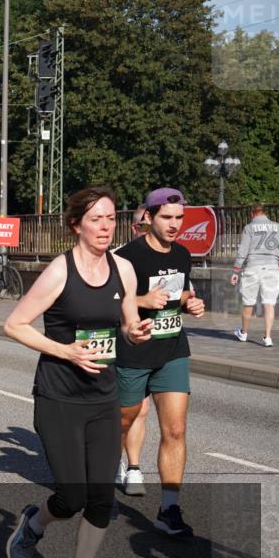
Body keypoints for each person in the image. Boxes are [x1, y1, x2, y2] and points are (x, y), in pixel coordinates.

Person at [4, 186, 150, 558]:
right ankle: (32, 526)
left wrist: (134, 332)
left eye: (110, 218)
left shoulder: (123, 269)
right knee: (70, 497)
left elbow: (126, 323)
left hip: (103, 395)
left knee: (102, 498)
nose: (105, 227)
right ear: (76, 225)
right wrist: (66, 351)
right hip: (59, 396)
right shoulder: (58, 271)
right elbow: (14, 325)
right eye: (96, 220)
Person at [115, 187, 205, 537]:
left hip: (172, 351)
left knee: (176, 430)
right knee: (122, 422)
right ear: (149, 218)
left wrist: (189, 304)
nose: (174, 225)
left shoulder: (183, 254)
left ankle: (168, 509)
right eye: (166, 218)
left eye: (179, 218)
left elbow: (178, 294)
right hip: (133, 353)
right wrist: (141, 299)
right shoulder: (126, 257)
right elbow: (107, 300)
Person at [115, 204, 151, 495]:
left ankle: (135, 468)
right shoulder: (118, 258)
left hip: (153, 343)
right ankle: (112, 461)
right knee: (124, 411)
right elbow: (110, 299)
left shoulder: (167, 255)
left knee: (141, 410)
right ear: (134, 227)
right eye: (142, 226)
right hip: (121, 340)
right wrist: (144, 301)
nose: (146, 233)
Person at [232, 204, 279, 347]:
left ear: (253, 214)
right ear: (264, 213)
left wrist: (236, 270)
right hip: (272, 267)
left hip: (252, 267)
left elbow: (243, 251)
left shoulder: (249, 228)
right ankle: (268, 337)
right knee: (269, 303)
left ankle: (244, 333)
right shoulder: (278, 227)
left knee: (248, 303)